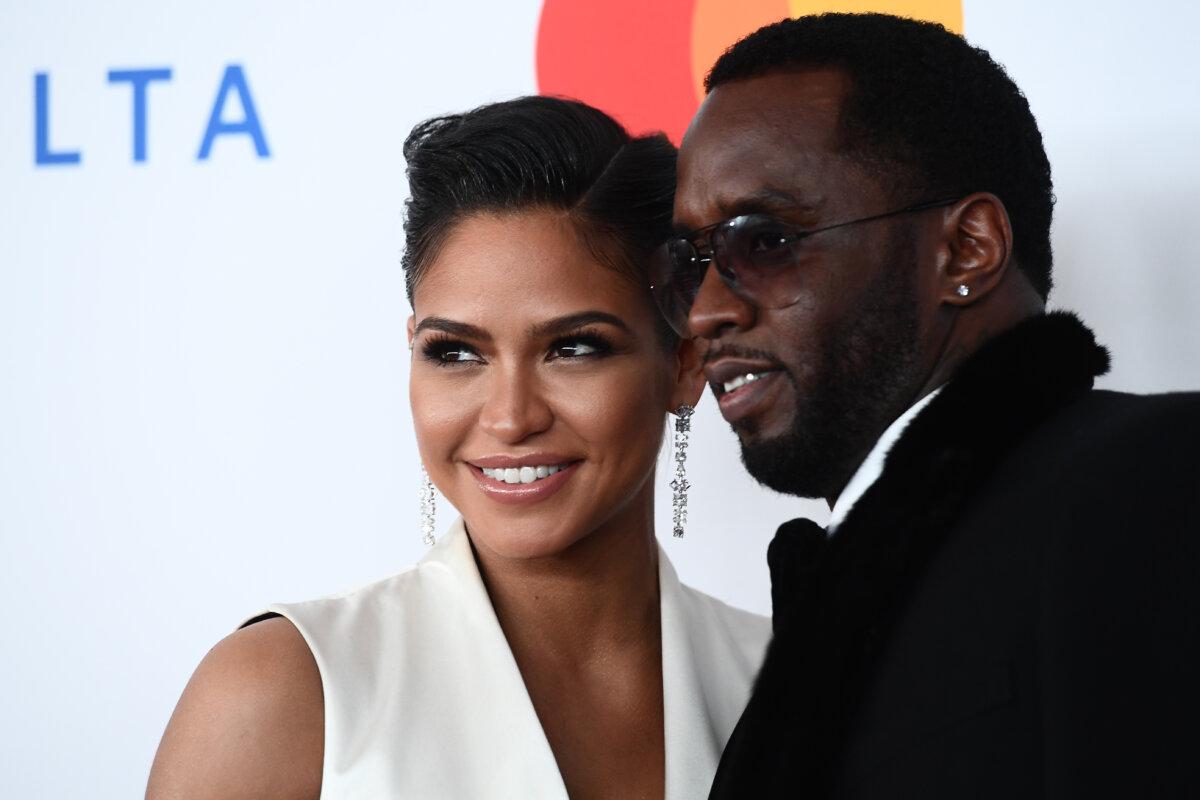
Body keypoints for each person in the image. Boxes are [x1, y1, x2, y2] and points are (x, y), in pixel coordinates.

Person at [146, 96, 770, 799]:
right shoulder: (283, 695)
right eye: (455, 353)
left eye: (573, 348)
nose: (509, 418)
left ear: (685, 362)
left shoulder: (789, 683)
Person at [648, 13, 1200, 798]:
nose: (705, 312)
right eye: (690, 264)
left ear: (967, 249)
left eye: (762, 242)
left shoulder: (1153, 482)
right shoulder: (822, 619)